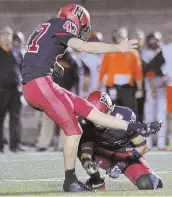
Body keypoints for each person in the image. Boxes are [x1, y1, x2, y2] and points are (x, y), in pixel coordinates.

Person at [21, 4, 160, 192]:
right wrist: (117, 48)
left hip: (39, 83)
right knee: (75, 130)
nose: (82, 30)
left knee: (87, 109)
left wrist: (52, 65)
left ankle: (134, 126)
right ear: (75, 18)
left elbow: (32, 52)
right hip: (39, 84)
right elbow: (85, 47)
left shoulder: (46, 26)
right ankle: (70, 181)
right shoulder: (65, 24)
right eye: (82, 25)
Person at [77, 91, 163, 190]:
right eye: (95, 117)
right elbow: (85, 149)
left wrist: (121, 165)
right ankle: (96, 180)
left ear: (111, 109)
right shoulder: (86, 122)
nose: (98, 121)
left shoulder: (124, 116)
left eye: (103, 115)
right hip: (105, 154)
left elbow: (143, 147)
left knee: (146, 183)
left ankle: (153, 178)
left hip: (128, 154)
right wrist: (87, 164)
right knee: (77, 144)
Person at [98, 27, 143, 114]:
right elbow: (103, 70)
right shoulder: (109, 52)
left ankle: (130, 127)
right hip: (112, 87)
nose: (120, 39)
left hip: (128, 88)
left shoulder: (133, 53)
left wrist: (140, 89)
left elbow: (137, 72)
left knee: (130, 113)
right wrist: (99, 86)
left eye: (122, 36)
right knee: (112, 112)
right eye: (118, 36)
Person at [141, 32, 167, 150]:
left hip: (163, 85)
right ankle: (147, 142)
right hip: (150, 85)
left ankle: (161, 142)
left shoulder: (164, 52)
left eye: (155, 40)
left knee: (162, 115)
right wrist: (152, 89)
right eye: (151, 40)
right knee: (149, 115)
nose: (153, 42)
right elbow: (149, 72)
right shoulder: (145, 54)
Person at [0, 26, 23, 153]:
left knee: (15, 118)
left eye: (9, 34)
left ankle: (15, 145)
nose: (6, 36)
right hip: (1, 90)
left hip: (15, 90)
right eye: (4, 34)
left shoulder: (17, 52)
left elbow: (22, 69)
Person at [79, 32, 103, 98]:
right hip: (84, 92)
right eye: (92, 41)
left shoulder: (104, 58)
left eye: (96, 42)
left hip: (100, 92)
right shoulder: (82, 57)